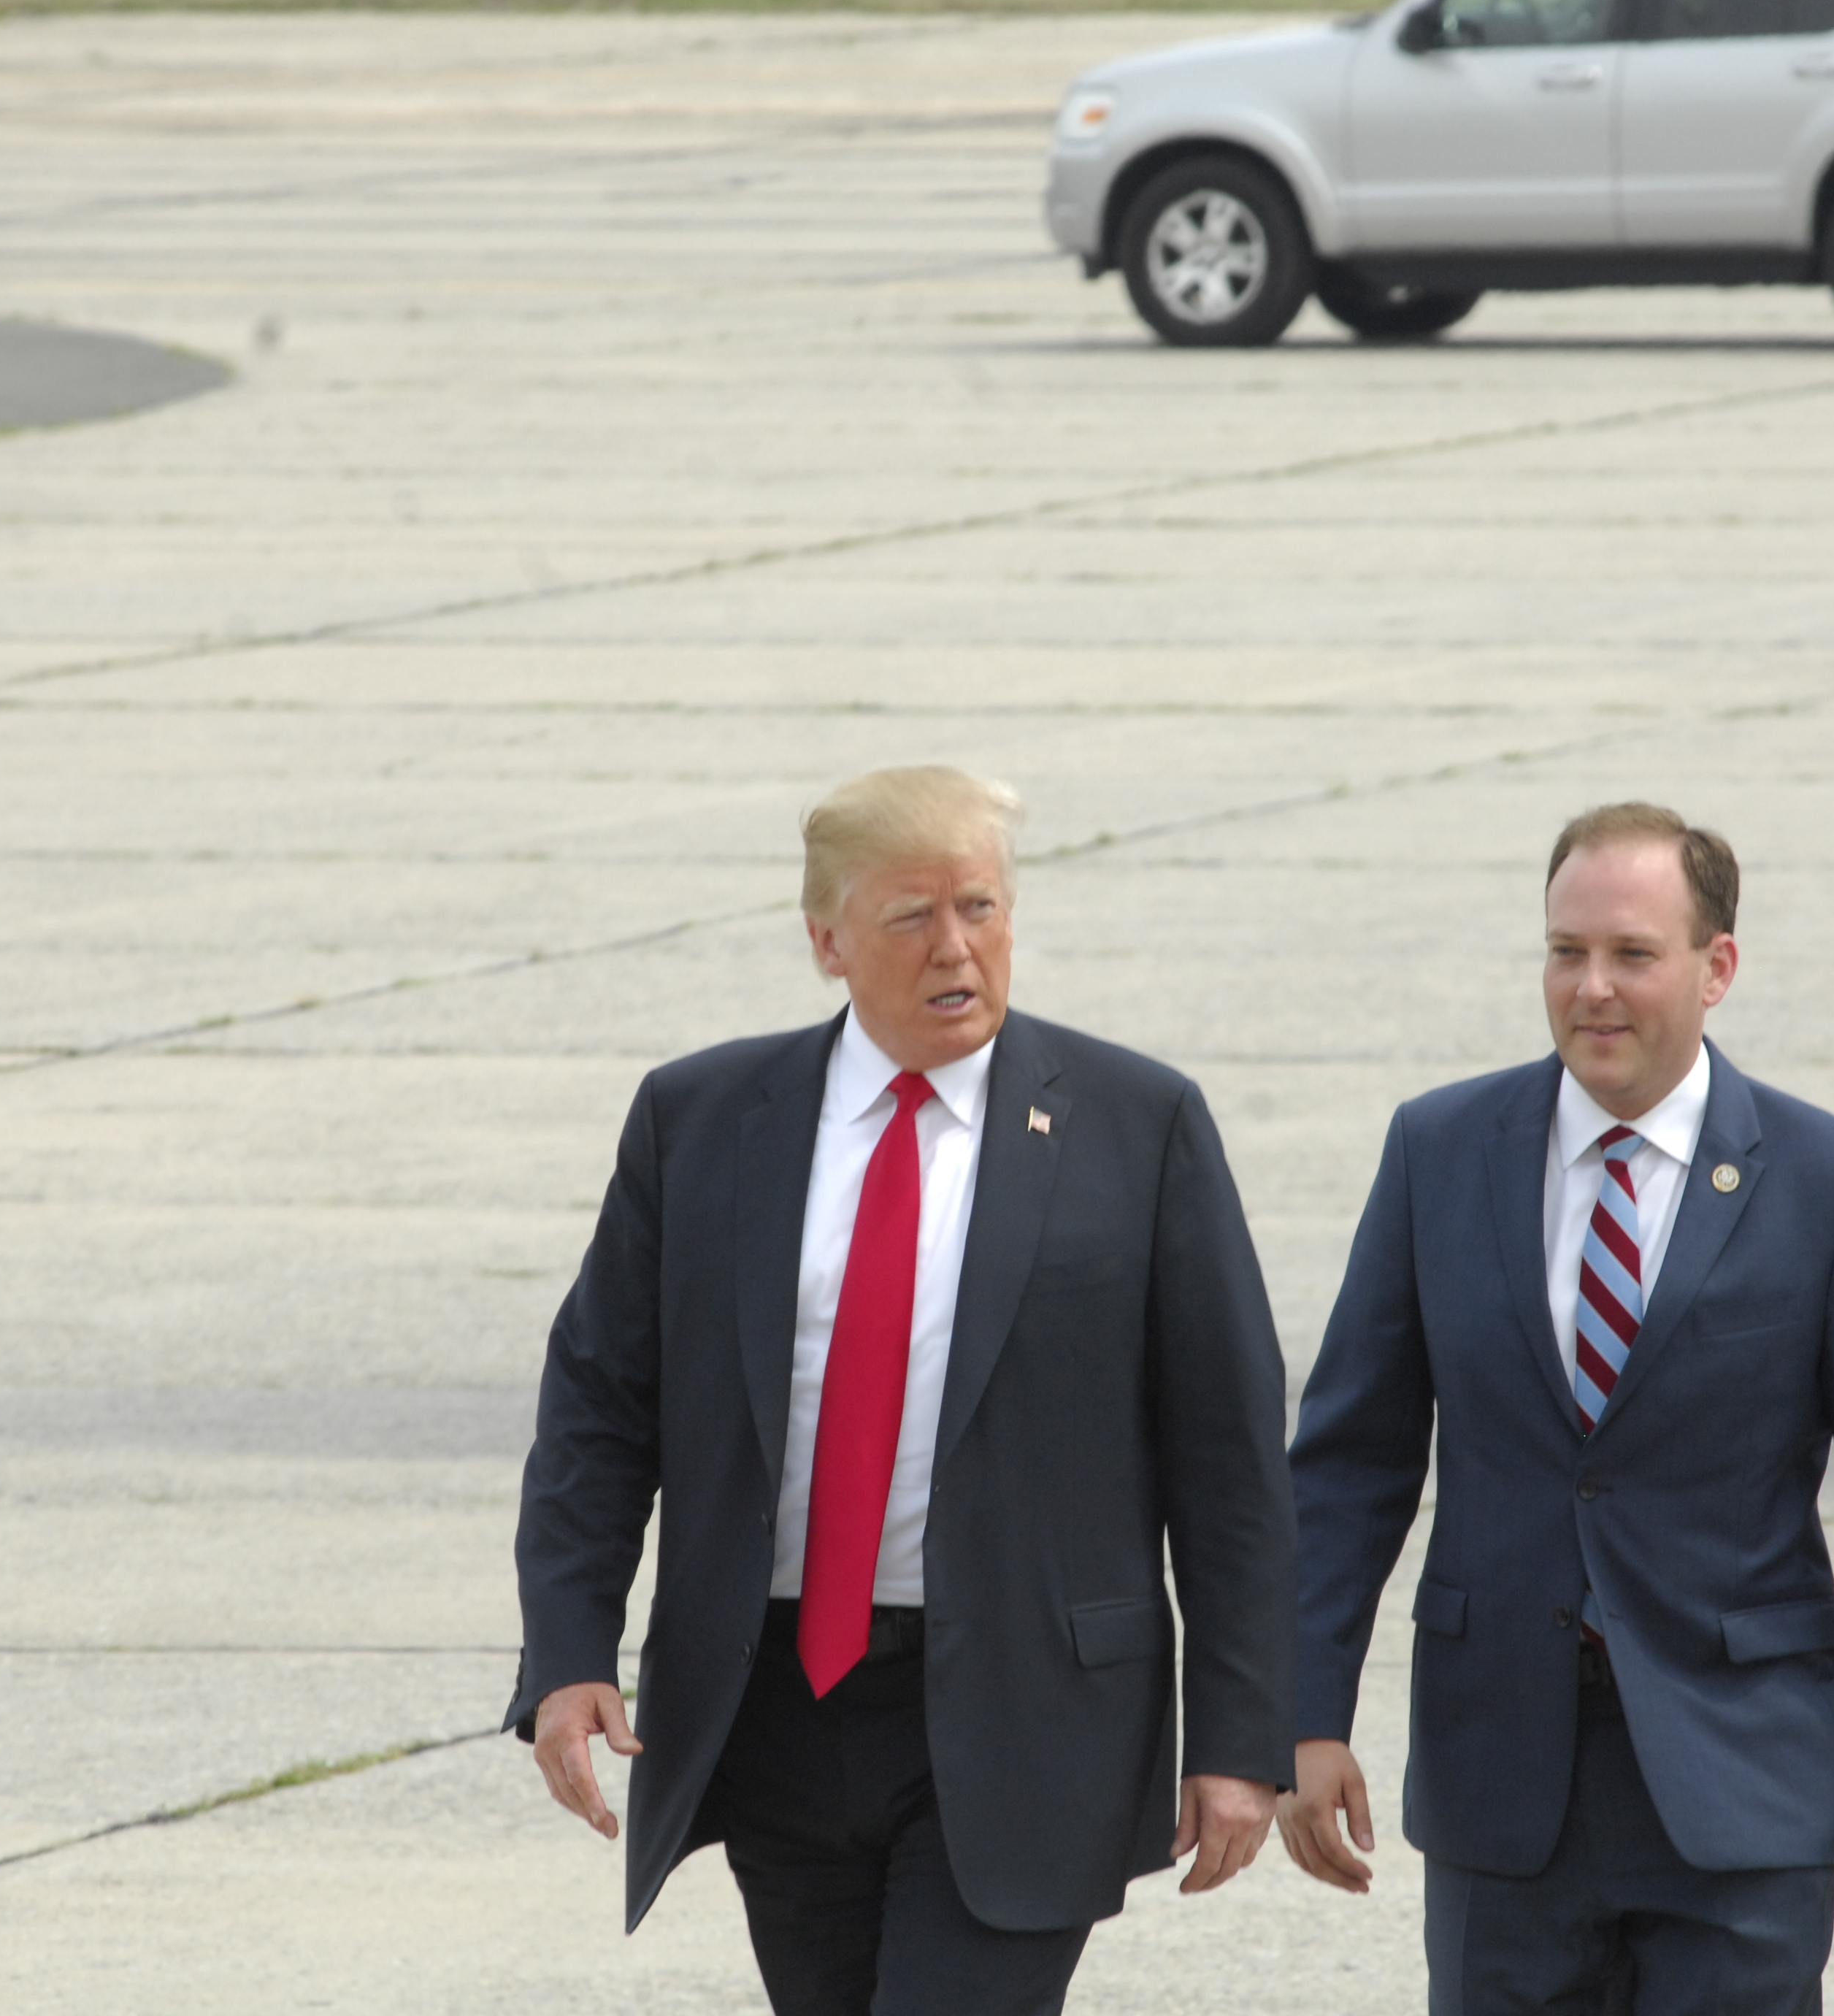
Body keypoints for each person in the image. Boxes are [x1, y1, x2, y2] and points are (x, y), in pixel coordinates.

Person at [509, 764, 1294, 2016]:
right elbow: (600, 1409)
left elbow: (1232, 1461)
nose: (957, 950)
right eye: (911, 919)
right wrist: (567, 1650)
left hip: (1028, 1710)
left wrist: (1245, 1737)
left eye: (981, 910)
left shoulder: (1135, 1126)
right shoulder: (702, 1120)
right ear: (827, 942)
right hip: (781, 1704)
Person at [1278, 800, 1834, 2015]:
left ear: (1716, 967)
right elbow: (1348, 1465)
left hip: (1741, 1785)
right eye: (1566, 953)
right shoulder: (1440, 1150)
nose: (1592, 990)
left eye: (1632, 955)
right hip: (1502, 1785)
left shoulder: (1832, 1185)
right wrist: (1301, 1716)